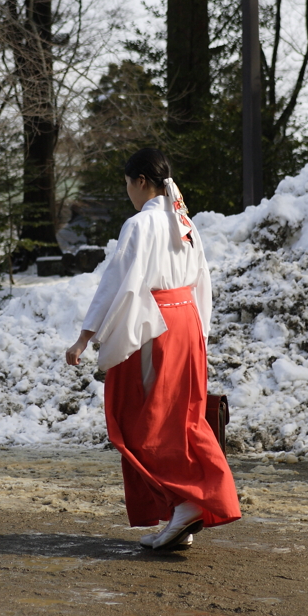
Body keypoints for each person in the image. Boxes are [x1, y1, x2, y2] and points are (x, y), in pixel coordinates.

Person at [65, 148, 241, 551]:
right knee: (182, 417)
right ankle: (185, 507)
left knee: (140, 420)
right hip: (187, 324)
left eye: (127, 184)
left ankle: (184, 502)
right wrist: (201, 334)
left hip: (155, 326)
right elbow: (203, 282)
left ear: (141, 181)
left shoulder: (141, 224)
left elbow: (118, 282)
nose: (127, 192)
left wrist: (86, 336)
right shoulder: (184, 221)